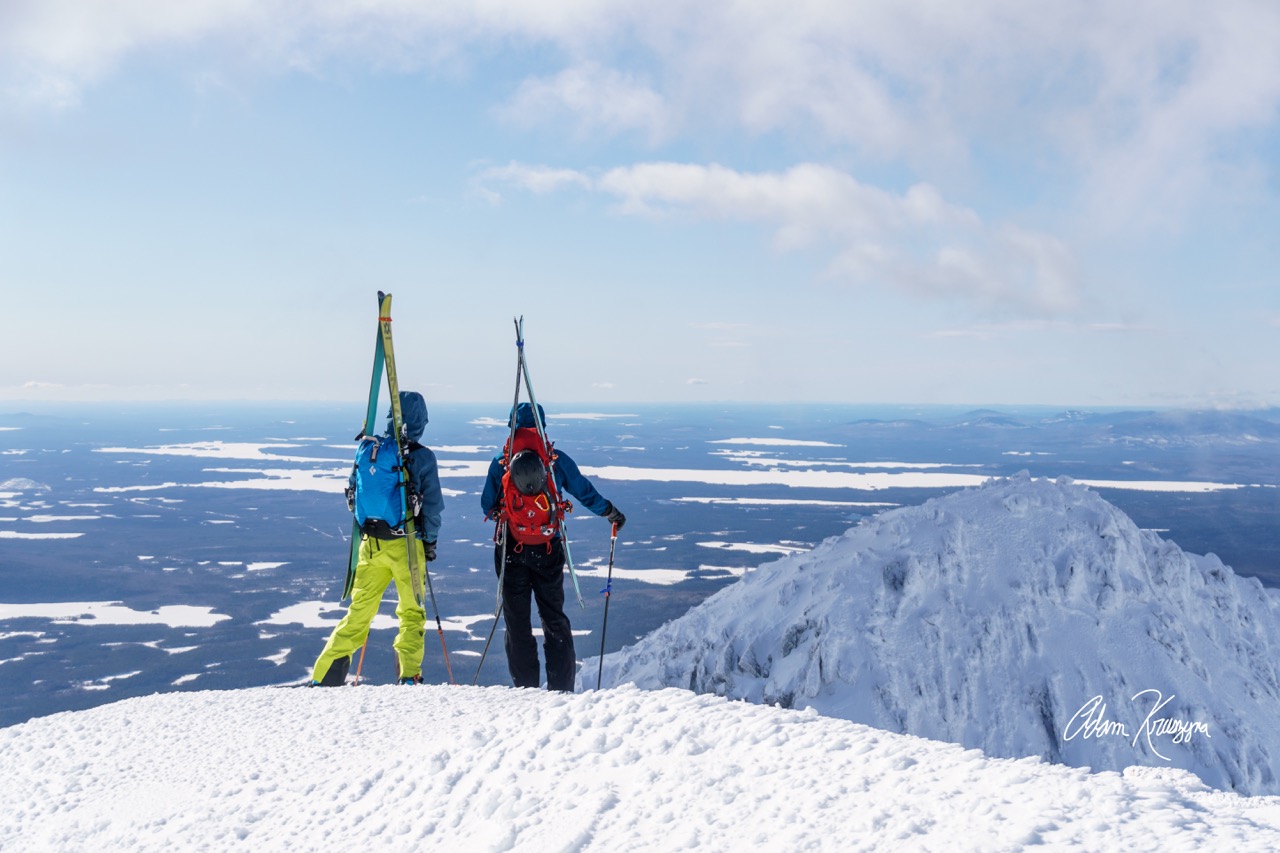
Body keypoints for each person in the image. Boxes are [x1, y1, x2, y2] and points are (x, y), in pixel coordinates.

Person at [480, 402, 625, 692]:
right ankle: (560, 689)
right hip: (548, 548)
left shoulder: (501, 462)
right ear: (542, 425)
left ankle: (525, 689)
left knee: (517, 621)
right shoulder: (554, 460)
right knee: (553, 617)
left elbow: (487, 504)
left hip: (511, 550)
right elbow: (583, 491)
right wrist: (610, 512)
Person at [312, 391, 443, 686]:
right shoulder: (421, 457)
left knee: (358, 612)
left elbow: (353, 490)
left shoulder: (368, 450)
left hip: (370, 545)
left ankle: (323, 676)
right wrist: (430, 543)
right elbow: (433, 507)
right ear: (421, 421)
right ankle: (409, 676)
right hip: (407, 545)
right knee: (411, 612)